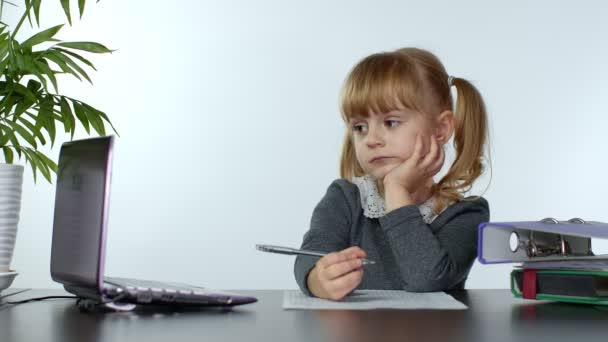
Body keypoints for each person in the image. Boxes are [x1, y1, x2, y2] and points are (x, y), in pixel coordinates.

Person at [294, 47, 490, 300]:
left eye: (391, 122)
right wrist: (317, 280)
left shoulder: (466, 213)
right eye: (360, 127)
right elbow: (309, 256)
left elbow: (427, 279)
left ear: (440, 129)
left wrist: (396, 190)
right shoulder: (345, 197)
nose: (371, 139)